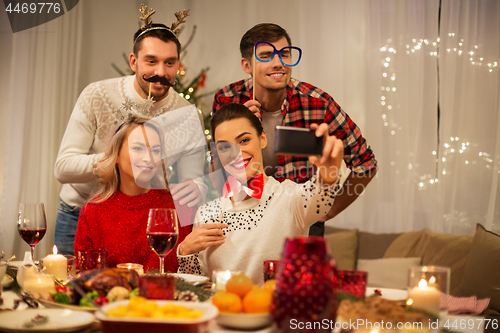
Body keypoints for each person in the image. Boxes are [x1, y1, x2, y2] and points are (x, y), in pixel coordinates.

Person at [54, 5, 205, 255]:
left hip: (144, 221)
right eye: (151, 61)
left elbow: (191, 183)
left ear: (178, 65)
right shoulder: (97, 95)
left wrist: (199, 187)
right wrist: (118, 161)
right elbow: (63, 167)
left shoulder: (187, 114)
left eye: (170, 63)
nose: (161, 72)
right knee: (74, 291)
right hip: (79, 211)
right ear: (134, 61)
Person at [213, 23, 378, 236]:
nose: (278, 63)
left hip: (302, 217)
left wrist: (329, 210)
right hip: (245, 215)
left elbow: (366, 163)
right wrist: (239, 126)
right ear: (247, 65)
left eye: (285, 54)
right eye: (266, 55)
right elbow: (219, 163)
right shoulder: (228, 99)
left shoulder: (319, 104)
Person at [177, 103, 344, 284]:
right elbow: (196, 286)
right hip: (224, 309)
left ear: (262, 138)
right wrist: (185, 251)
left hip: (277, 310)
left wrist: (328, 173)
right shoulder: (206, 212)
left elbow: (321, 194)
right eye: (225, 147)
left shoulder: (290, 198)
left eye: (244, 140)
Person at [74, 116, 194, 272]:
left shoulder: (179, 206)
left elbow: (191, 273)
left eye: (155, 151)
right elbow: (83, 275)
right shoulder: (92, 212)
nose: (148, 158)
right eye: (138, 148)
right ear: (116, 155)